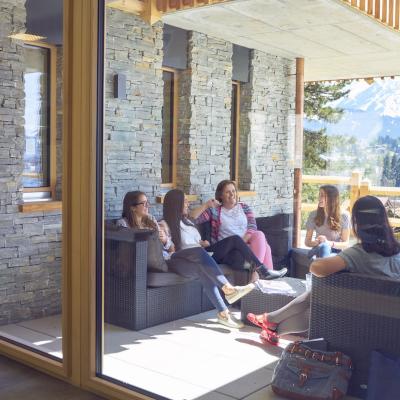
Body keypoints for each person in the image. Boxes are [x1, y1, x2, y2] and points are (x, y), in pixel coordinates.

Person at [247, 195, 400, 345]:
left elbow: (316, 268)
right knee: (319, 303)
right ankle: (272, 326)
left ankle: (270, 320)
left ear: (357, 223)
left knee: (321, 293)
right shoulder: (397, 252)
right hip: (389, 324)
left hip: (355, 319)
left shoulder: (359, 253)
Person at [162, 189, 256, 329]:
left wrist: (201, 243)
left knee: (202, 269)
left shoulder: (186, 222)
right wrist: (166, 241)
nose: (188, 203)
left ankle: (223, 313)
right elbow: (168, 249)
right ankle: (228, 289)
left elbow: (193, 241)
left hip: (194, 258)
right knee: (199, 254)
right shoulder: (164, 224)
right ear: (176, 204)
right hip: (176, 260)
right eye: (185, 201)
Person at [190, 180, 287, 280]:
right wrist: (206, 205)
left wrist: (243, 243)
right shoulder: (214, 211)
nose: (232, 194)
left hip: (246, 246)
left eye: (233, 191)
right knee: (265, 248)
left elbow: (252, 226)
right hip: (229, 249)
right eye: (228, 192)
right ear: (220, 196)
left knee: (259, 234)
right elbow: (192, 219)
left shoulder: (244, 207)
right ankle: (263, 275)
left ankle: (257, 273)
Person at [305, 185, 350, 259]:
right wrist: (318, 242)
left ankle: (321, 264)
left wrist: (328, 243)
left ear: (331, 198)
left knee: (325, 247)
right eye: (319, 195)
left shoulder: (344, 215)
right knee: (323, 247)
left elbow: (345, 244)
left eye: (322, 195)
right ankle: (324, 264)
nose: (319, 198)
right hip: (317, 249)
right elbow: (307, 242)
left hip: (335, 251)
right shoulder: (313, 214)